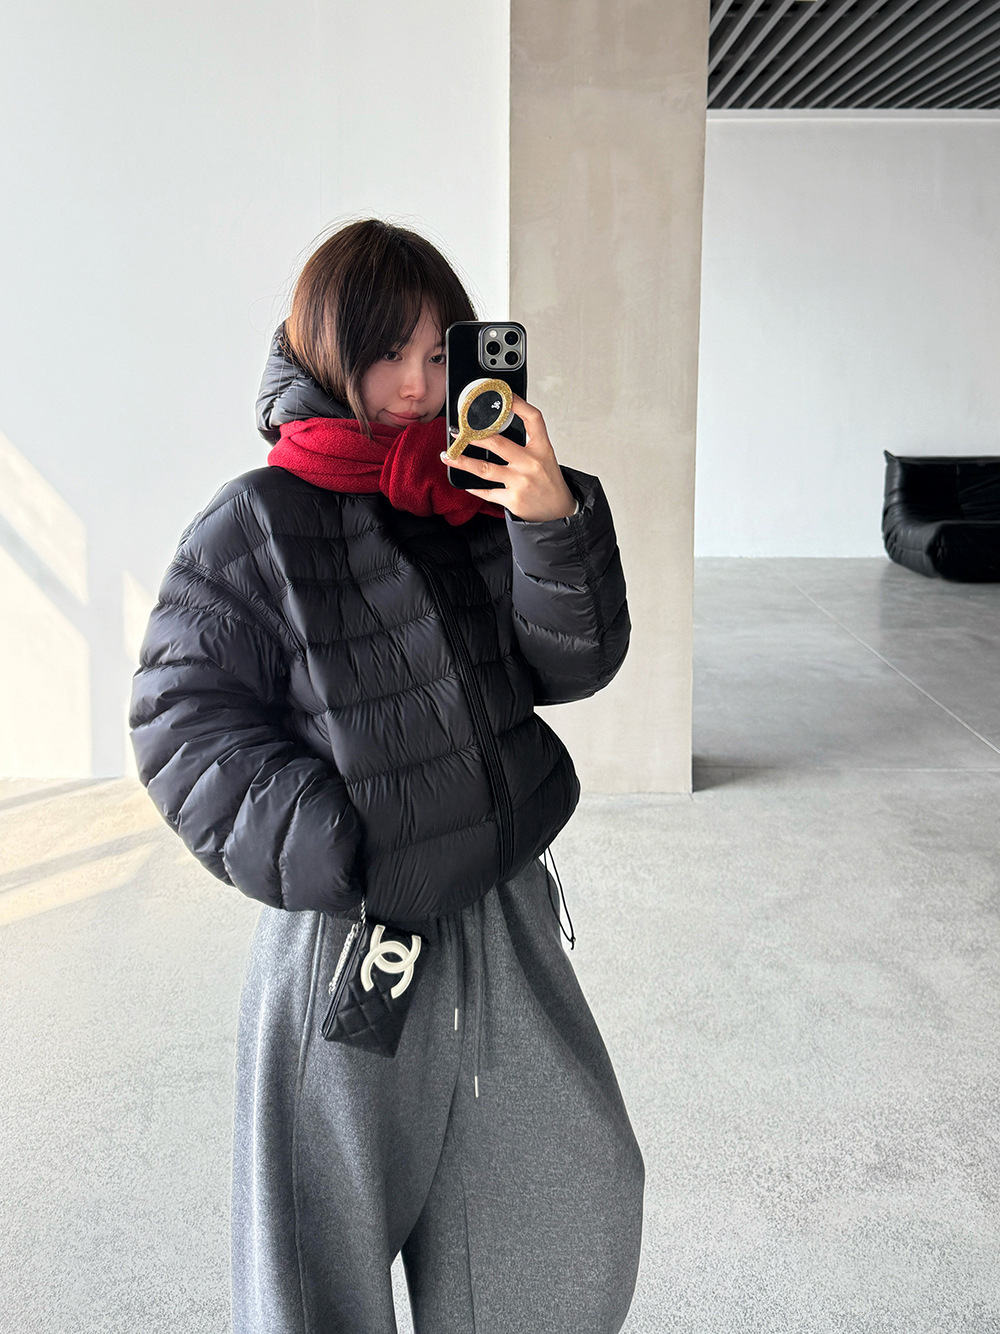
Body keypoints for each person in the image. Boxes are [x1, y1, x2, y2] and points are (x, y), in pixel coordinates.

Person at [129, 218, 644, 1334]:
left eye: (434, 351)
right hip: (353, 937)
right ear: (328, 356)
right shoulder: (255, 520)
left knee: (570, 1193)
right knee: (321, 1250)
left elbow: (575, 664)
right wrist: (340, 844)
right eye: (385, 355)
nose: (417, 385)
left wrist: (549, 524)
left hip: (502, 908)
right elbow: (180, 721)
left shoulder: (477, 500)